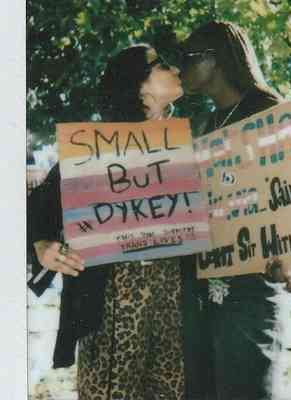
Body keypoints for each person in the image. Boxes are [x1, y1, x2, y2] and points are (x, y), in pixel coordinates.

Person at [28, 44, 185, 400]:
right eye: (160, 64)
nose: (174, 67)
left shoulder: (188, 143)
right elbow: (37, 210)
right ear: (140, 86)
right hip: (110, 309)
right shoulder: (96, 148)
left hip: (175, 313)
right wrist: (42, 245)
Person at [179, 21, 291, 400]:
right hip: (208, 292)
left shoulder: (269, 111)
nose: (181, 69)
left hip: (251, 291)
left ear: (216, 60)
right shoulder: (209, 122)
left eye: (189, 58)